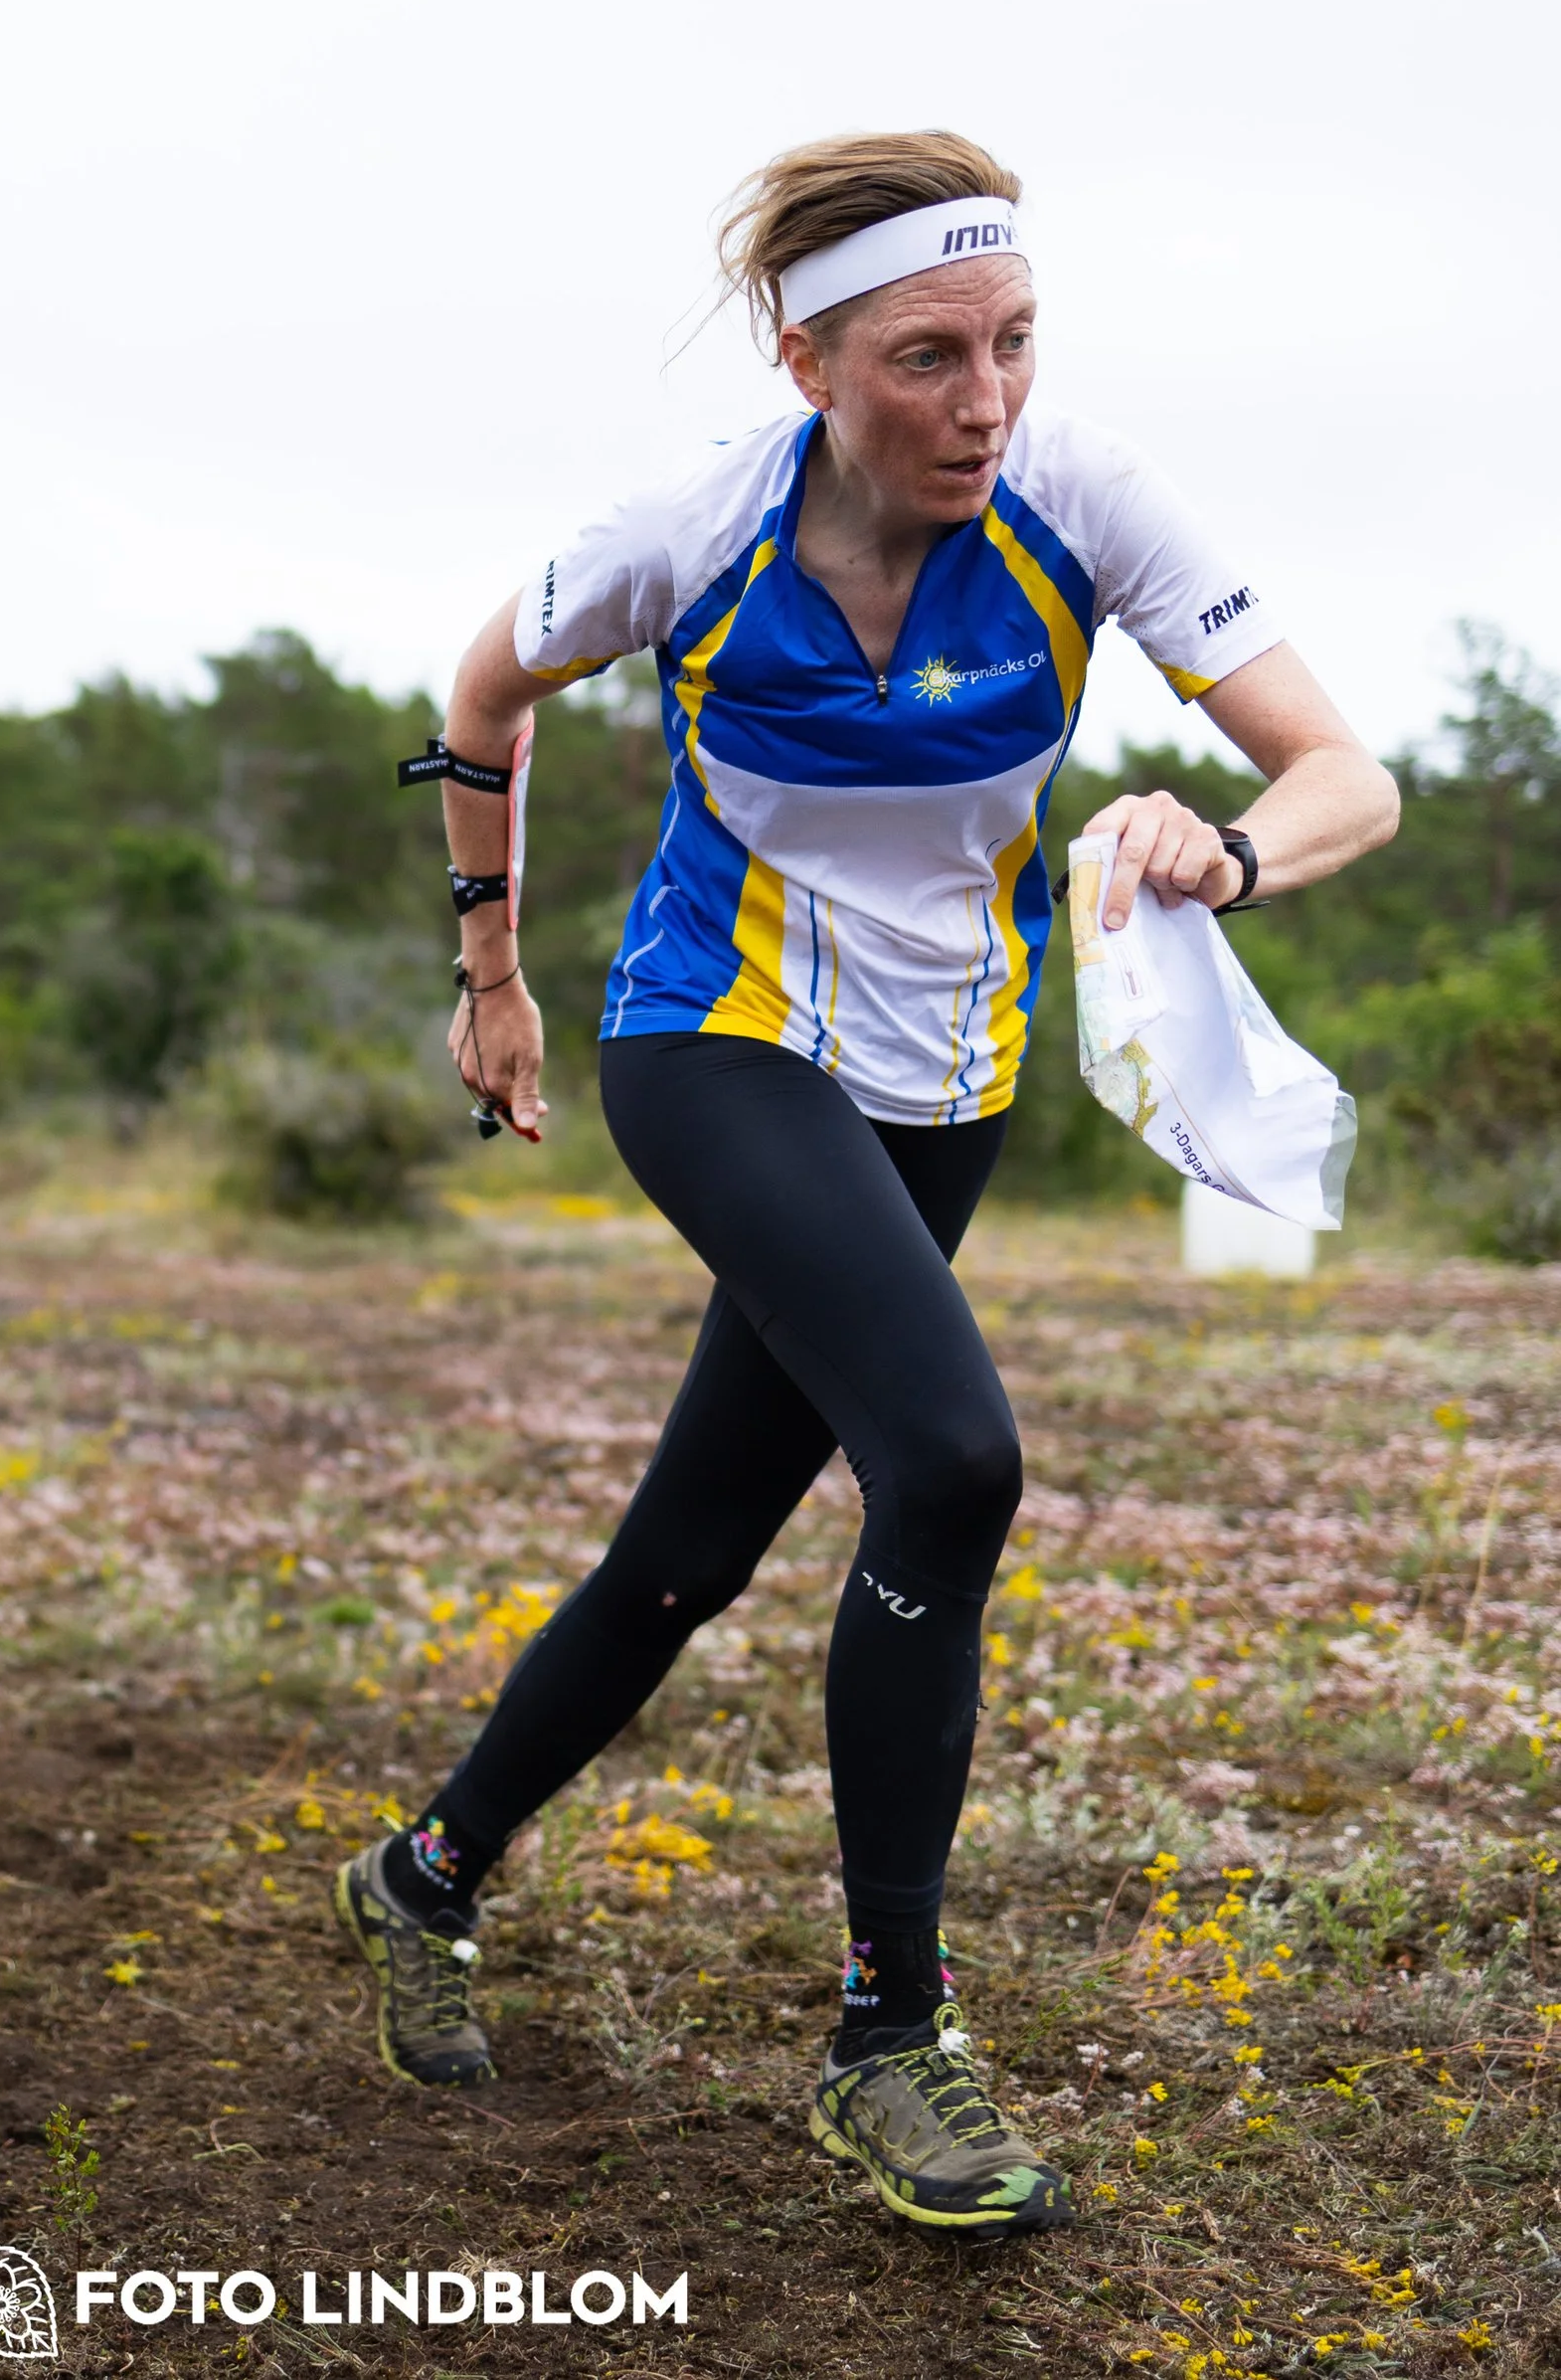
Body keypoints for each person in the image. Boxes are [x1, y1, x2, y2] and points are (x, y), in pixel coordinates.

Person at [333, 130, 1398, 2234]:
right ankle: (883, 2039)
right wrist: (488, 975)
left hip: (944, 1080)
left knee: (691, 1545)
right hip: (711, 1041)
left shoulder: (1081, 502)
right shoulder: (687, 529)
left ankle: (419, 1872)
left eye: (1008, 344)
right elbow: (481, 689)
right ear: (804, 355)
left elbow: (1339, 765)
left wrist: (1233, 848)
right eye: (925, 357)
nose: (980, 400)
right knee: (951, 1459)